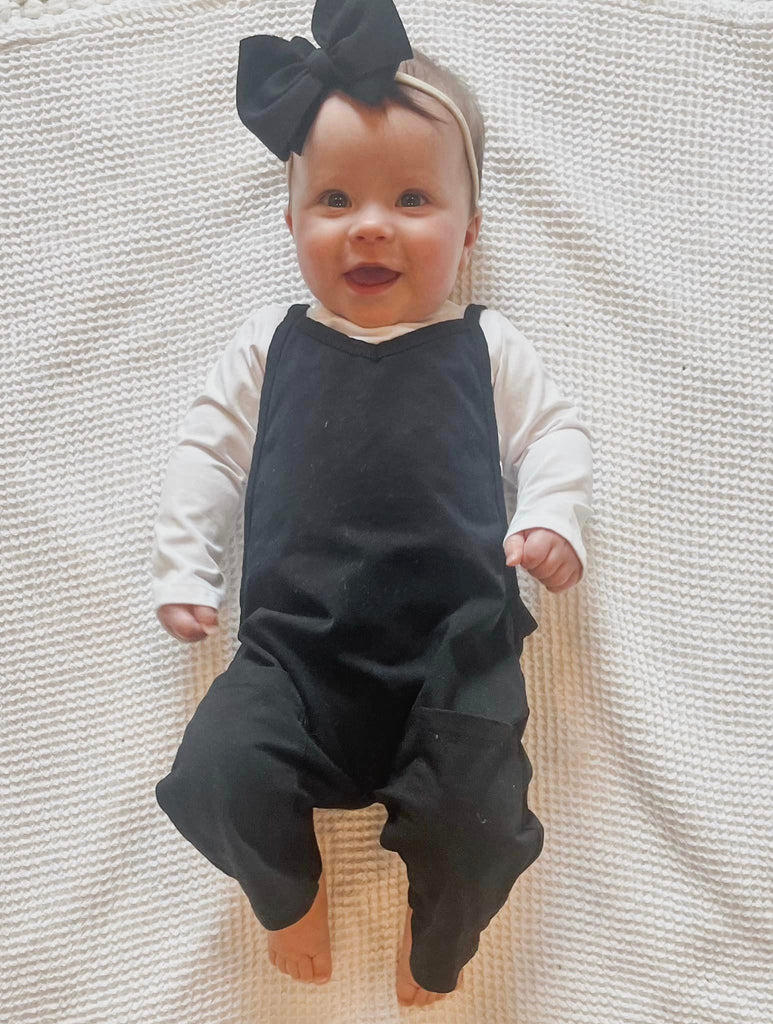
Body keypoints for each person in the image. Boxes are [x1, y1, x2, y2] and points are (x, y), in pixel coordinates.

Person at [152, 0, 593, 1009]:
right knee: (217, 772)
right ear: (291, 223)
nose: (370, 225)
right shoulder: (270, 346)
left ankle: (438, 939)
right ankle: (286, 893)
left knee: (483, 824)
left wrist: (551, 515)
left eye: (411, 199)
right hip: (292, 657)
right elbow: (205, 452)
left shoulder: (485, 347)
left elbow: (555, 434)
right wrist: (184, 566)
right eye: (335, 198)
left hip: (453, 656)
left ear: (469, 233)